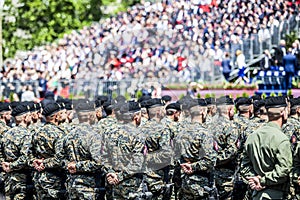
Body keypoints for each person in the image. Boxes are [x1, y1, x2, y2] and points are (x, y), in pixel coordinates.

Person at [241, 96, 292, 200]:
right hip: (276, 193)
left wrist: (254, 180)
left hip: (257, 194)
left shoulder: (252, 136)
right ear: (283, 112)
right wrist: (262, 180)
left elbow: (245, 166)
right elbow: (284, 170)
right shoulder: (282, 139)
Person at [1, 104, 33, 200]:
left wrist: (4, 164)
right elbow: (25, 158)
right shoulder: (26, 134)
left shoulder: (8, 133)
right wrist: (11, 166)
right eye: (29, 115)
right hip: (21, 177)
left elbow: (0, 151)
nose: (31, 117)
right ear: (24, 117)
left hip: (8, 176)